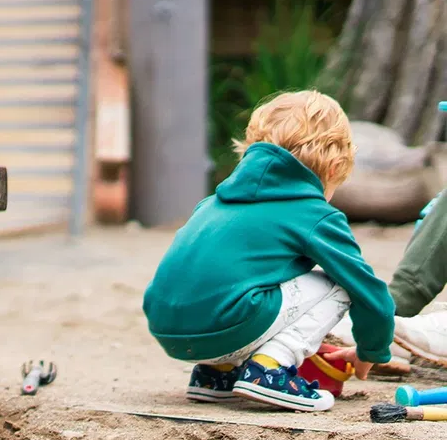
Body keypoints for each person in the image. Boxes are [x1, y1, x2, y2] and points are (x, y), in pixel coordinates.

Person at [143, 90, 395, 412]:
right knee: (338, 283)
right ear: (333, 169)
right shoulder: (312, 212)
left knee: (246, 284)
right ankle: (269, 369)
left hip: (169, 329)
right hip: (230, 324)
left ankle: (216, 375)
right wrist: (370, 351)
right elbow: (369, 291)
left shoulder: (213, 203)